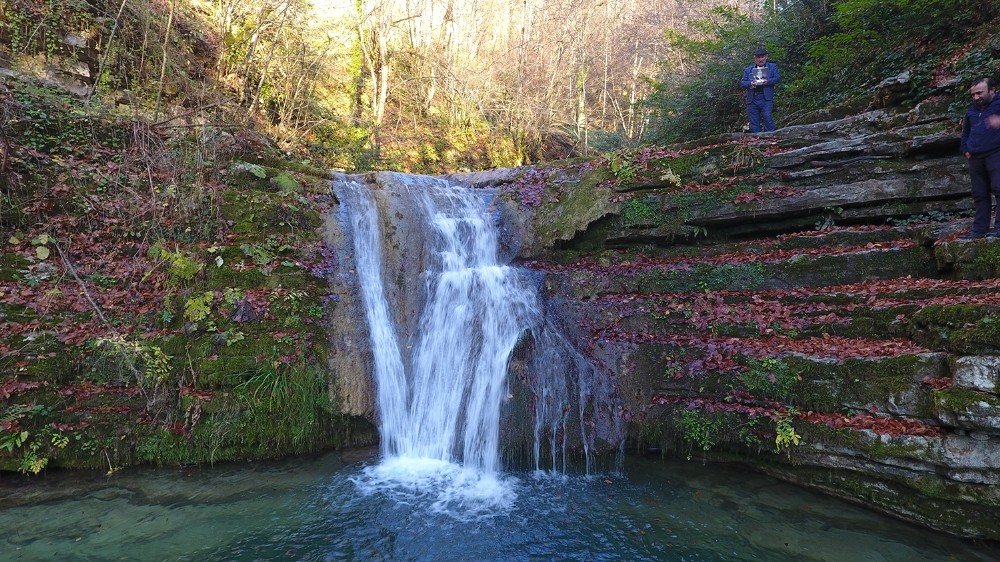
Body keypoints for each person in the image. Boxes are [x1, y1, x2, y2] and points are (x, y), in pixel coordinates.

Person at [960, 77, 1000, 239]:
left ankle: (999, 228)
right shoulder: (971, 110)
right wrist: (965, 150)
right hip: (975, 157)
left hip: (996, 153)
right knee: (979, 193)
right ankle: (979, 229)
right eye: (973, 94)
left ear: (992, 90)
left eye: (979, 93)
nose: (976, 97)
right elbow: (965, 133)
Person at [740, 47, 780, 133]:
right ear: (755, 58)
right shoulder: (748, 70)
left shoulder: (772, 67)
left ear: (766, 57)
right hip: (752, 98)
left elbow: (777, 78)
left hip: (766, 98)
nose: (760, 59)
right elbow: (742, 83)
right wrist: (751, 83)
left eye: (762, 57)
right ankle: (756, 138)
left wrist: (767, 81)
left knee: (767, 116)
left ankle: (771, 136)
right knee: (754, 121)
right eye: (758, 57)